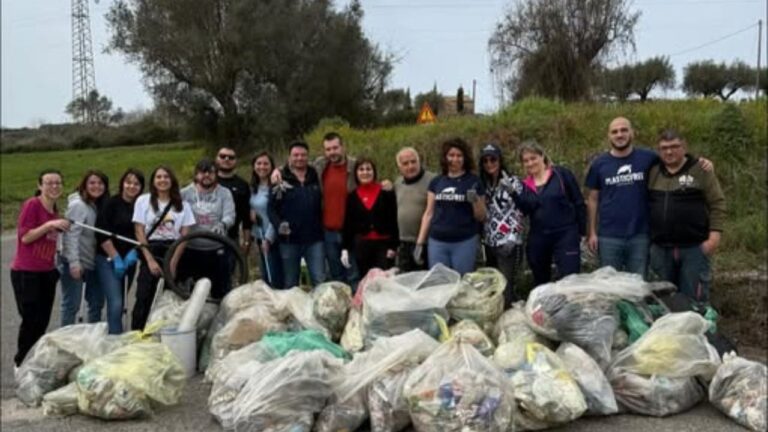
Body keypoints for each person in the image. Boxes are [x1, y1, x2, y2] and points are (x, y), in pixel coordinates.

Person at [585, 117, 713, 278]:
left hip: (641, 235)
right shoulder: (599, 164)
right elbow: (593, 198)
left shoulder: (648, 158)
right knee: (609, 284)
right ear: (609, 136)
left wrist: (698, 161)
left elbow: (673, 157)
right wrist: (592, 232)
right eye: (614, 131)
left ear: (632, 132)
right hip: (609, 236)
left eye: (624, 130)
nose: (619, 134)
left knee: (638, 283)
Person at [647, 129, 726, 304]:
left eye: (674, 146)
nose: (669, 152)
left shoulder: (700, 170)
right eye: (664, 148)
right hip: (660, 249)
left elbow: (717, 203)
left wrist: (714, 236)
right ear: (658, 151)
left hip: (694, 248)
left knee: (694, 301)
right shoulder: (652, 172)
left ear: (684, 147)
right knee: (663, 301)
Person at [11, 169, 70, 368]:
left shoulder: (55, 211)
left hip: (47, 272)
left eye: (58, 183)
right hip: (27, 272)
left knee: (42, 321)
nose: (54, 186)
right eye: (49, 183)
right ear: (40, 186)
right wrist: (50, 225)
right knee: (30, 320)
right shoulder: (32, 205)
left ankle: (35, 364)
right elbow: (25, 237)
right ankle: (21, 363)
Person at [512, 141, 586, 287]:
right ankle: (545, 308)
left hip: (565, 234)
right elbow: (526, 209)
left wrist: (583, 232)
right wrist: (514, 194)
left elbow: (578, 202)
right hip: (539, 235)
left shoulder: (561, 174)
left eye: (533, 158)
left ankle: (570, 308)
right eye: (526, 161)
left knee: (570, 280)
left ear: (542, 156)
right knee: (540, 281)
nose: (530, 163)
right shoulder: (525, 185)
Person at [132, 165, 195, 330]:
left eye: (166, 177)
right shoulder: (143, 201)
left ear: (172, 180)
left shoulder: (183, 205)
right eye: (158, 177)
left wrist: (172, 263)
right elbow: (139, 231)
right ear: (153, 181)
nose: (162, 180)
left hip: (174, 249)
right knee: (144, 296)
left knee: (170, 299)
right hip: (151, 248)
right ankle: (138, 335)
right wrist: (150, 260)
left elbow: (184, 236)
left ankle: (165, 335)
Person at [415, 138, 486, 275]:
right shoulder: (437, 181)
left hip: (464, 241)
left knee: (462, 281)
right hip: (437, 241)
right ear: (445, 157)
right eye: (451, 155)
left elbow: (481, 216)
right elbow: (429, 213)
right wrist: (420, 242)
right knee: (440, 282)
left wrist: (475, 201)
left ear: (465, 158)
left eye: (459, 155)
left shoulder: (474, 181)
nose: (455, 159)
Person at [268, 141, 326, 288]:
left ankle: (318, 310)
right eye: (296, 155)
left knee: (319, 280)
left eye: (303, 155)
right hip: (289, 241)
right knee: (291, 283)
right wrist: (278, 225)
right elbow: (271, 208)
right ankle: (293, 311)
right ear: (289, 157)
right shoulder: (280, 178)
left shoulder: (316, 175)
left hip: (315, 239)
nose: (299, 158)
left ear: (308, 156)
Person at [94, 168, 145, 334]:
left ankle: (117, 335)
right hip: (108, 260)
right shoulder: (111, 203)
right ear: (123, 183)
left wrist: (136, 252)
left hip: (129, 260)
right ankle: (114, 341)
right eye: (128, 182)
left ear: (141, 187)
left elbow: (145, 233)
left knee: (122, 302)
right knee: (115, 303)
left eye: (136, 184)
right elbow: (101, 233)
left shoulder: (143, 205)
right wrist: (115, 256)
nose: (132, 186)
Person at [180, 158, 236, 300]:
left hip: (217, 249)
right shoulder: (184, 193)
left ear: (216, 174)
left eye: (210, 172)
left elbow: (230, 215)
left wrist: (223, 224)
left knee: (221, 292)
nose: (206, 176)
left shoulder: (225, 193)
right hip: (191, 249)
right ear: (196, 175)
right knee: (192, 295)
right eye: (202, 172)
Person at [59, 170, 109, 326]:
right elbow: (71, 235)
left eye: (100, 183)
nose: (96, 186)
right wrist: (74, 263)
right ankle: (65, 340)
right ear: (84, 185)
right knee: (71, 305)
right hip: (74, 262)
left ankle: (91, 336)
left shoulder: (98, 205)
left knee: (96, 302)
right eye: (92, 183)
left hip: (92, 261)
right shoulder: (78, 205)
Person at [478, 142, 525, 304]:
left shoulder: (513, 181)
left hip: (508, 241)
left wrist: (513, 237)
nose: (489, 164)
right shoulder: (482, 185)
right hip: (489, 242)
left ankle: (510, 320)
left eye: (493, 159)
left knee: (507, 287)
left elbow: (521, 211)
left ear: (500, 160)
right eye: (485, 160)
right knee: (493, 286)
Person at [341, 157, 399, 278]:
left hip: (383, 245)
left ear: (374, 172)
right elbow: (348, 224)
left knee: (384, 280)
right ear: (356, 173)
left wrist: (393, 246)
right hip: (362, 245)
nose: (365, 172)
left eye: (368, 169)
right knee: (366, 280)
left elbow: (394, 219)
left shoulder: (386, 192)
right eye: (361, 169)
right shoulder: (352, 196)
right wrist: (345, 248)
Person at [393, 147, 436, 272]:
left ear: (419, 161)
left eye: (413, 161)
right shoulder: (397, 183)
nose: (410, 166)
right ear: (399, 167)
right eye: (405, 164)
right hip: (404, 243)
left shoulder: (433, 180)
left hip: (427, 242)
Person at [249, 151, 284, 288]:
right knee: (265, 275)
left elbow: (277, 213)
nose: (262, 167)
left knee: (274, 276)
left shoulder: (276, 186)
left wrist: (269, 239)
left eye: (265, 163)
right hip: (259, 236)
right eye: (258, 163)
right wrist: (250, 212)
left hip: (272, 238)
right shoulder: (253, 187)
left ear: (271, 166)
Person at [215, 146, 253, 251]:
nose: (226, 159)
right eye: (223, 156)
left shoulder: (242, 185)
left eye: (231, 157)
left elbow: (246, 218)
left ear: (236, 161)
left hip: (232, 239)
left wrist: (246, 241)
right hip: (207, 238)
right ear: (216, 158)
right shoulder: (208, 182)